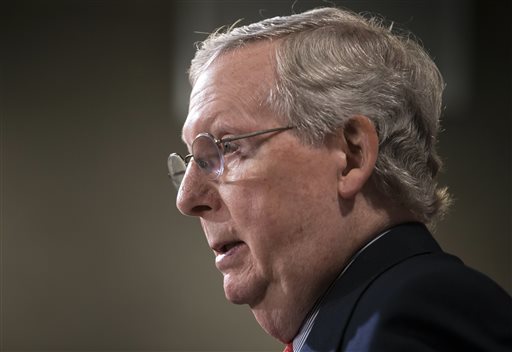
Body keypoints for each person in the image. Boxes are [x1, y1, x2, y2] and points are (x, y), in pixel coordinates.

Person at [167, 7, 512, 352]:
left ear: (351, 155)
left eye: (227, 147)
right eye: (193, 159)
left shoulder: (415, 317)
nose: (187, 198)